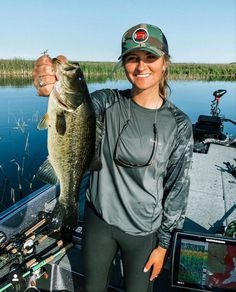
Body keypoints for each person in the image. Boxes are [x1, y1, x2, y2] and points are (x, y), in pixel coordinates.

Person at [33, 23, 193, 292]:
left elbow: (177, 191)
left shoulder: (179, 124)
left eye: (150, 57)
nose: (141, 67)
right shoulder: (107, 102)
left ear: (165, 63)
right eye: (132, 59)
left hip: (143, 232)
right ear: (124, 65)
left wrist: (163, 245)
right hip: (98, 221)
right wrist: (47, 81)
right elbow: (78, 106)